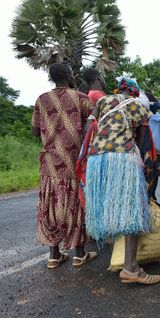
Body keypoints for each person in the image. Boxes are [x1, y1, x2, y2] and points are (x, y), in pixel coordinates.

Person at [84, 76, 160, 285]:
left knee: (108, 206)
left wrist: (85, 155)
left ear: (119, 91)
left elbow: (89, 127)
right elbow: (145, 142)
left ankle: (113, 250)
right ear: (135, 93)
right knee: (132, 210)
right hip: (123, 157)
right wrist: (147, 169)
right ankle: (130, 268)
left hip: (96, 160)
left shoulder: (103, 101)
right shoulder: (137, 106)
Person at [31, 63, 97, 269]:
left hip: (50, 164)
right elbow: (94, 125)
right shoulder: (82, 99)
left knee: (51, 206)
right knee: (75, 204)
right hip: (74, 162)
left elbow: (34, 131)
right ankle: (79, 254)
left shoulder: (41, 100)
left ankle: (54, 255)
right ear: (69, 75)